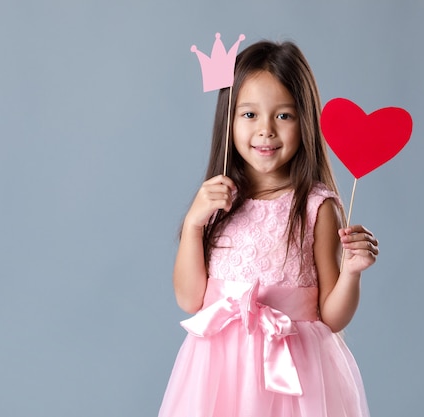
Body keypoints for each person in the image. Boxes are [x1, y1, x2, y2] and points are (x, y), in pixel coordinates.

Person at [158, 40, 379, 417]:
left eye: (283, 116)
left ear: (305, 120)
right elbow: (189, 299)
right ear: (228, 119)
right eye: (249, 115)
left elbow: (332, 316)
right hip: (217, 372)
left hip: (293, 373)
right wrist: (195, 222)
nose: (265, 131)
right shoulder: (216, 201)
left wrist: (352, 273)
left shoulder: (316, 206)